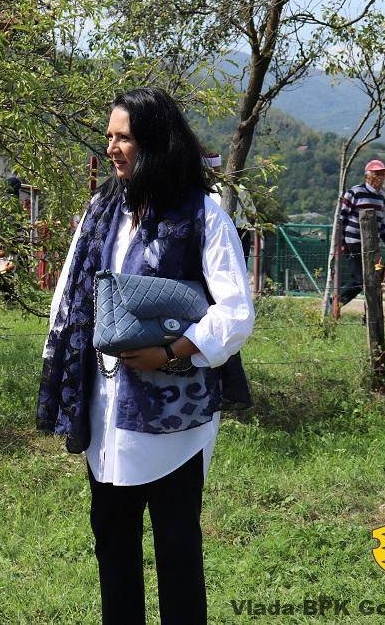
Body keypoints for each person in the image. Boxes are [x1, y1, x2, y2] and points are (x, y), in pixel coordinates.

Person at [37, 87, 255, 624]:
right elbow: (68, 296)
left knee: (177, 550)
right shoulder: (102, 211)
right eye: (109, 137)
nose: (112, 148)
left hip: (175, 423)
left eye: (125, 138)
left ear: (156, 143)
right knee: (113, 545)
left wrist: (171, 352)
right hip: (106, 409)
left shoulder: (202, 215)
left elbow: (235, 312)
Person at [336, 159, 385, 306]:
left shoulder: (381, 196)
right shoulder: (355, 192)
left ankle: (369, 315)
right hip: (354, 242)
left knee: (373, 280)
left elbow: (381, 223)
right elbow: (341, 218)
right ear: (368, 176)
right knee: (360, 280)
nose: (381, 177)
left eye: (382, 174)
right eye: (377, 174)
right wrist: (342, 242)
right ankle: (335, 304)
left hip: (372, 244)